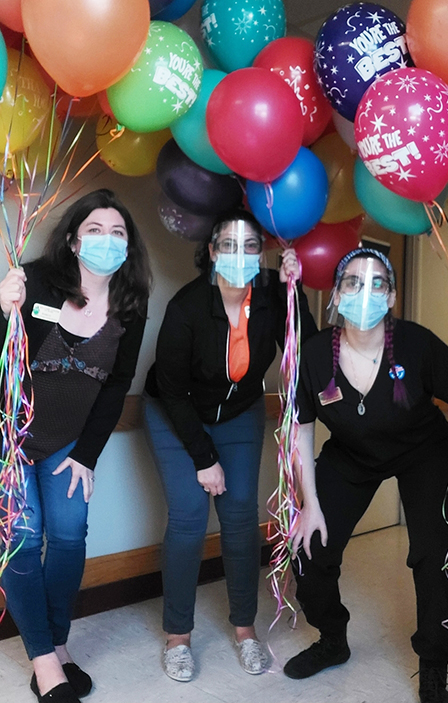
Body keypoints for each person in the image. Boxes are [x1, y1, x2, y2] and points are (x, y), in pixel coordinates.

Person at [282, 248, 448, 703]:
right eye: (353, 282)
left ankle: (434, 664)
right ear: (336, 295)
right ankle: (332, 640)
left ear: (392, 296)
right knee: (309, 548)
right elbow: (300, 427)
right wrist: (310, 505)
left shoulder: (415, 343)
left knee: (435, 553)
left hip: (424, 452)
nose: (365, 292)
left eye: (377, 283)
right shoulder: (315, 353)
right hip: (351, 455)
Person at [143, 208, 317, 683]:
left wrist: (294, 290)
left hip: (238, 413)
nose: (239, 255)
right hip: (175, 413)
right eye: (228, 245)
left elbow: (307, 352)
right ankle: (178, 637)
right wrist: (205, 460)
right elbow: (173, 392)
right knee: (189, 515)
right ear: (211, 252)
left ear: (262, 254)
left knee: (240, 513)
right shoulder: (186, 307)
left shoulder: (271, 297)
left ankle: (245, 629)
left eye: (250, 246)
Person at [0, 189, 151, 703]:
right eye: (94, 230)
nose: (105, 241)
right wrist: (3, 312)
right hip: (10, 438)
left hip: (68, 442)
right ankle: (44, 663)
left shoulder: (132, 304)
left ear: (128, 247)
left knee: (67, 536)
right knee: (23, 534)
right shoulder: (36, 280)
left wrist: (86, 456)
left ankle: (58, 645)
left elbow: (115, 387)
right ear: (72, 238)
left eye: (117, 233)